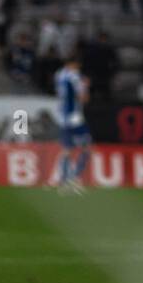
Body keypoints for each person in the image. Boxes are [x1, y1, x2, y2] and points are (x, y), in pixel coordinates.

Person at [55, 56, 91, 195]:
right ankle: (74, 178)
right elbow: (83, 98)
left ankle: (63, 182)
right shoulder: (75, 76)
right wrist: (86, 86)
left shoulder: (59, 74)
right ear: (75, 64)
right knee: (86, 148)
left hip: (62, 117)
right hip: (75, 117)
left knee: (67, 149)